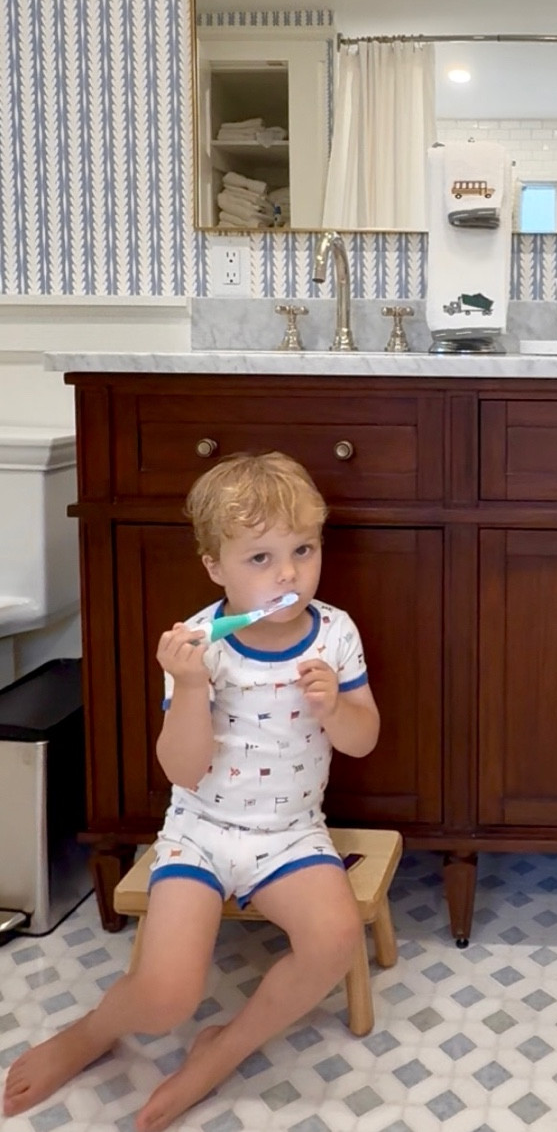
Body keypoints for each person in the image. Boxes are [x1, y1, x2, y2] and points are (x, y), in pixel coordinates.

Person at [3, 451, 380, 1132]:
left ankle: (224, 1050)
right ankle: (92, 1030)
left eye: (302, 548)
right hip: (200, 830)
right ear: (215, 565)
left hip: (291, 832)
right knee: (164, 994)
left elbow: (363, 739)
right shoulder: (199, 645)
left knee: (333, 938)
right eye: (259, 557)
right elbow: (181, 769)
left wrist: (334, 708)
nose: (288, 572)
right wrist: (194, 688)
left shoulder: (336, 634)